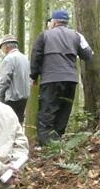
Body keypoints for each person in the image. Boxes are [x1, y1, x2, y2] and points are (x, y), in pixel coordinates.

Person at [30, 9, 93, 145]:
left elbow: (36, 55)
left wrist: (33, 76)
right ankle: (57, 142)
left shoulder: (44, 35)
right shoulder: (76, 35)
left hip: (51, 79)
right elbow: (88, 54)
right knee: (64, 111)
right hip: (70, 79)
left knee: (47, 111)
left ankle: (47, 145)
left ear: (53, 22)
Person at [0, 34, 31, 124]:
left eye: (2, 47)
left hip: (12, 98)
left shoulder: (8, 59)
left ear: (6, 46)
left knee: (8, 124)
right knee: (19, 122)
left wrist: (0, 97)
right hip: (24, 96)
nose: (2, 50)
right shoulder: (25, 58)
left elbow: (4, 80)